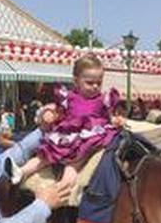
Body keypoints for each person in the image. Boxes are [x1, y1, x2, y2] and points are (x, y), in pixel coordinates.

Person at [9, 54, 124, 187]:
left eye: (99, 83)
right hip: (68, 137)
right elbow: (57, 111)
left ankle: (63, 188)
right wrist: (49, 114)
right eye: (89, 83)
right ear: (76, 81)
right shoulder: (68, 97)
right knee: (44, 157)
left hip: (88, 138)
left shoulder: (102, 99)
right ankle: (21, 171)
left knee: (73, 166)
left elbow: (109, 116)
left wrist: (116, 120)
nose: (95, 87)